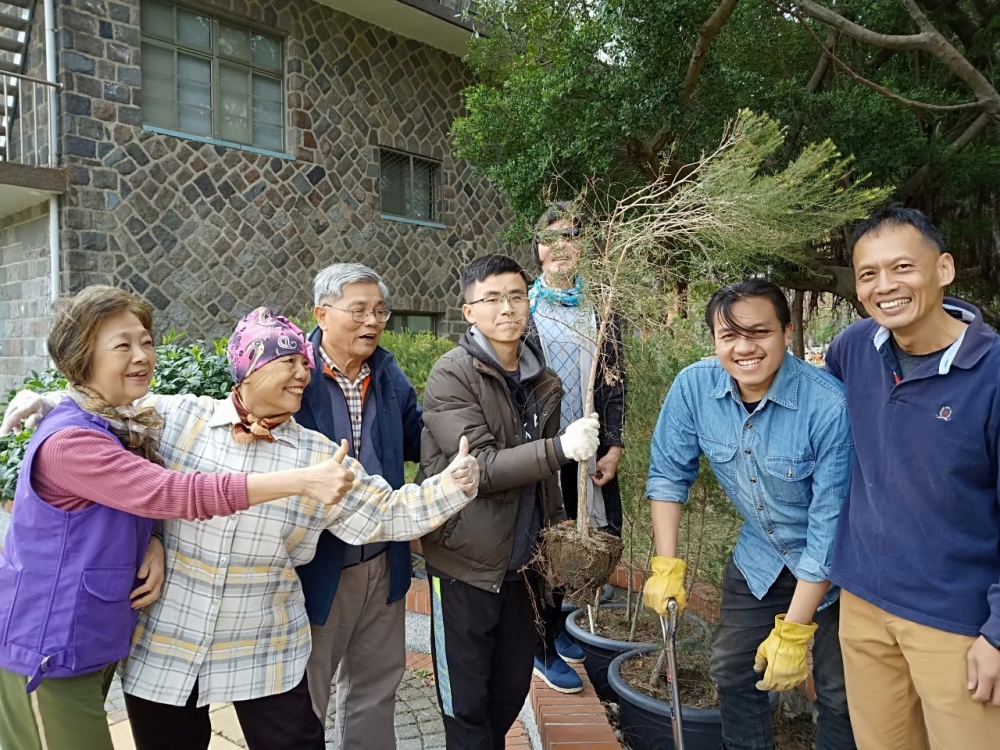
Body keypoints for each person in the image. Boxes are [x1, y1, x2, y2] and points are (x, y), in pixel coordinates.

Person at [1, 305, 480, 750]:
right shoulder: (180, 418)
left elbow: (387, 511)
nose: (302, 373)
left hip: (264, 646)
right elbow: (111, 411)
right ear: (248, 366)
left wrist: (453, 486)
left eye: (306, 363)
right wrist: (48, 399)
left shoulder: (318, 454)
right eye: (288, 360)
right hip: (170, 642)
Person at [643, 279, 856, 750]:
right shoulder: (694, 387)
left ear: (786, 330)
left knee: (840, 696)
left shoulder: (828, 404)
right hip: (760, 553)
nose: (744, 348)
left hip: (837, 569)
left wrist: (796, 630)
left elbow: (828, 527)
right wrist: (667, 564)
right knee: (733, 670)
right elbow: (667, 476)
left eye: (758, 332)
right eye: (728, 336)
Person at [825, 207, 1000, 749]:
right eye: (869, 274)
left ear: (944, 268)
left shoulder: (992, 375)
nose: (886, 287)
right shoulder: (855, 348)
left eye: (903, 267)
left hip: (958, 621)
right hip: (864, 602)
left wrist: (996, 635)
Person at [418, 254, 601, 749]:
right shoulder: (451, 376)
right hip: (465, 566)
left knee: (509, 691)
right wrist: (560, 448)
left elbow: (543, 484)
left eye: (517, 296)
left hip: (525, 569)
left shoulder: (544, 381)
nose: (507, 309)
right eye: (492, 299)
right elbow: (480, 469)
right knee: (465, 708)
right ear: (468, 311)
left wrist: (558, 533)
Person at [293, 264, 422, 748]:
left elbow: (420, 437)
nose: (373, 321)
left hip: (381, 558)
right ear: (321, 313)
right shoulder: (293, 372)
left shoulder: (387, 376)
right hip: (318, 564)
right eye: (359, 310)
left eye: (380, 311)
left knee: (376, 688)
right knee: (306, 694)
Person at [526, 202, 626, 693]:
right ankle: (541, 647)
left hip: (588, 449)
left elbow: (614, 382)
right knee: (543, 540)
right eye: (551, 237)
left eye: (571, 235)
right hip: (543, 450)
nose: (561, 245)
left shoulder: (602, 304)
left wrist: (614, 446)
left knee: (583, 537)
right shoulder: (523, 307)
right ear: (538, 249)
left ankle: (560, 626)